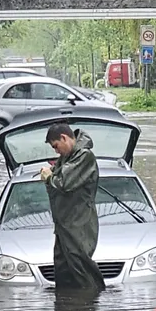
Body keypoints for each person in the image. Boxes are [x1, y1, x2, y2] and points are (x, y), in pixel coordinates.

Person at [39, 123, 105, 291]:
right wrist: (52, 173)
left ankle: (92, 301)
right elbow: (59, 180)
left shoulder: (84, 156)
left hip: (79, 223)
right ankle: (67, 304)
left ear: (64, 138)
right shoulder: (67, 157)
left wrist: (49, 177)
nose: (56, 151)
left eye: (56, 146)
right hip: (63, 224)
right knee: (63, 270)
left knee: (81, 267)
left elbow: (64, 183)